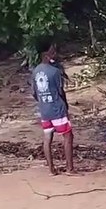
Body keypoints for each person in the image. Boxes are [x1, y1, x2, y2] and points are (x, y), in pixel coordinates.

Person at [31, 38, 75, 176]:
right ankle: (70, 169)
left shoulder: (35, 71)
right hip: (57, 109)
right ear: (46, 54)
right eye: (52, 51)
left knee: (47, 137)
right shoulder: (55, 71)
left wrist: (43, 102)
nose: (54, 53)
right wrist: (65, 106)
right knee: (68, 136)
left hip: (44, 110)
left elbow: (34, 93)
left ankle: (51, 169)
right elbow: (61, 92)